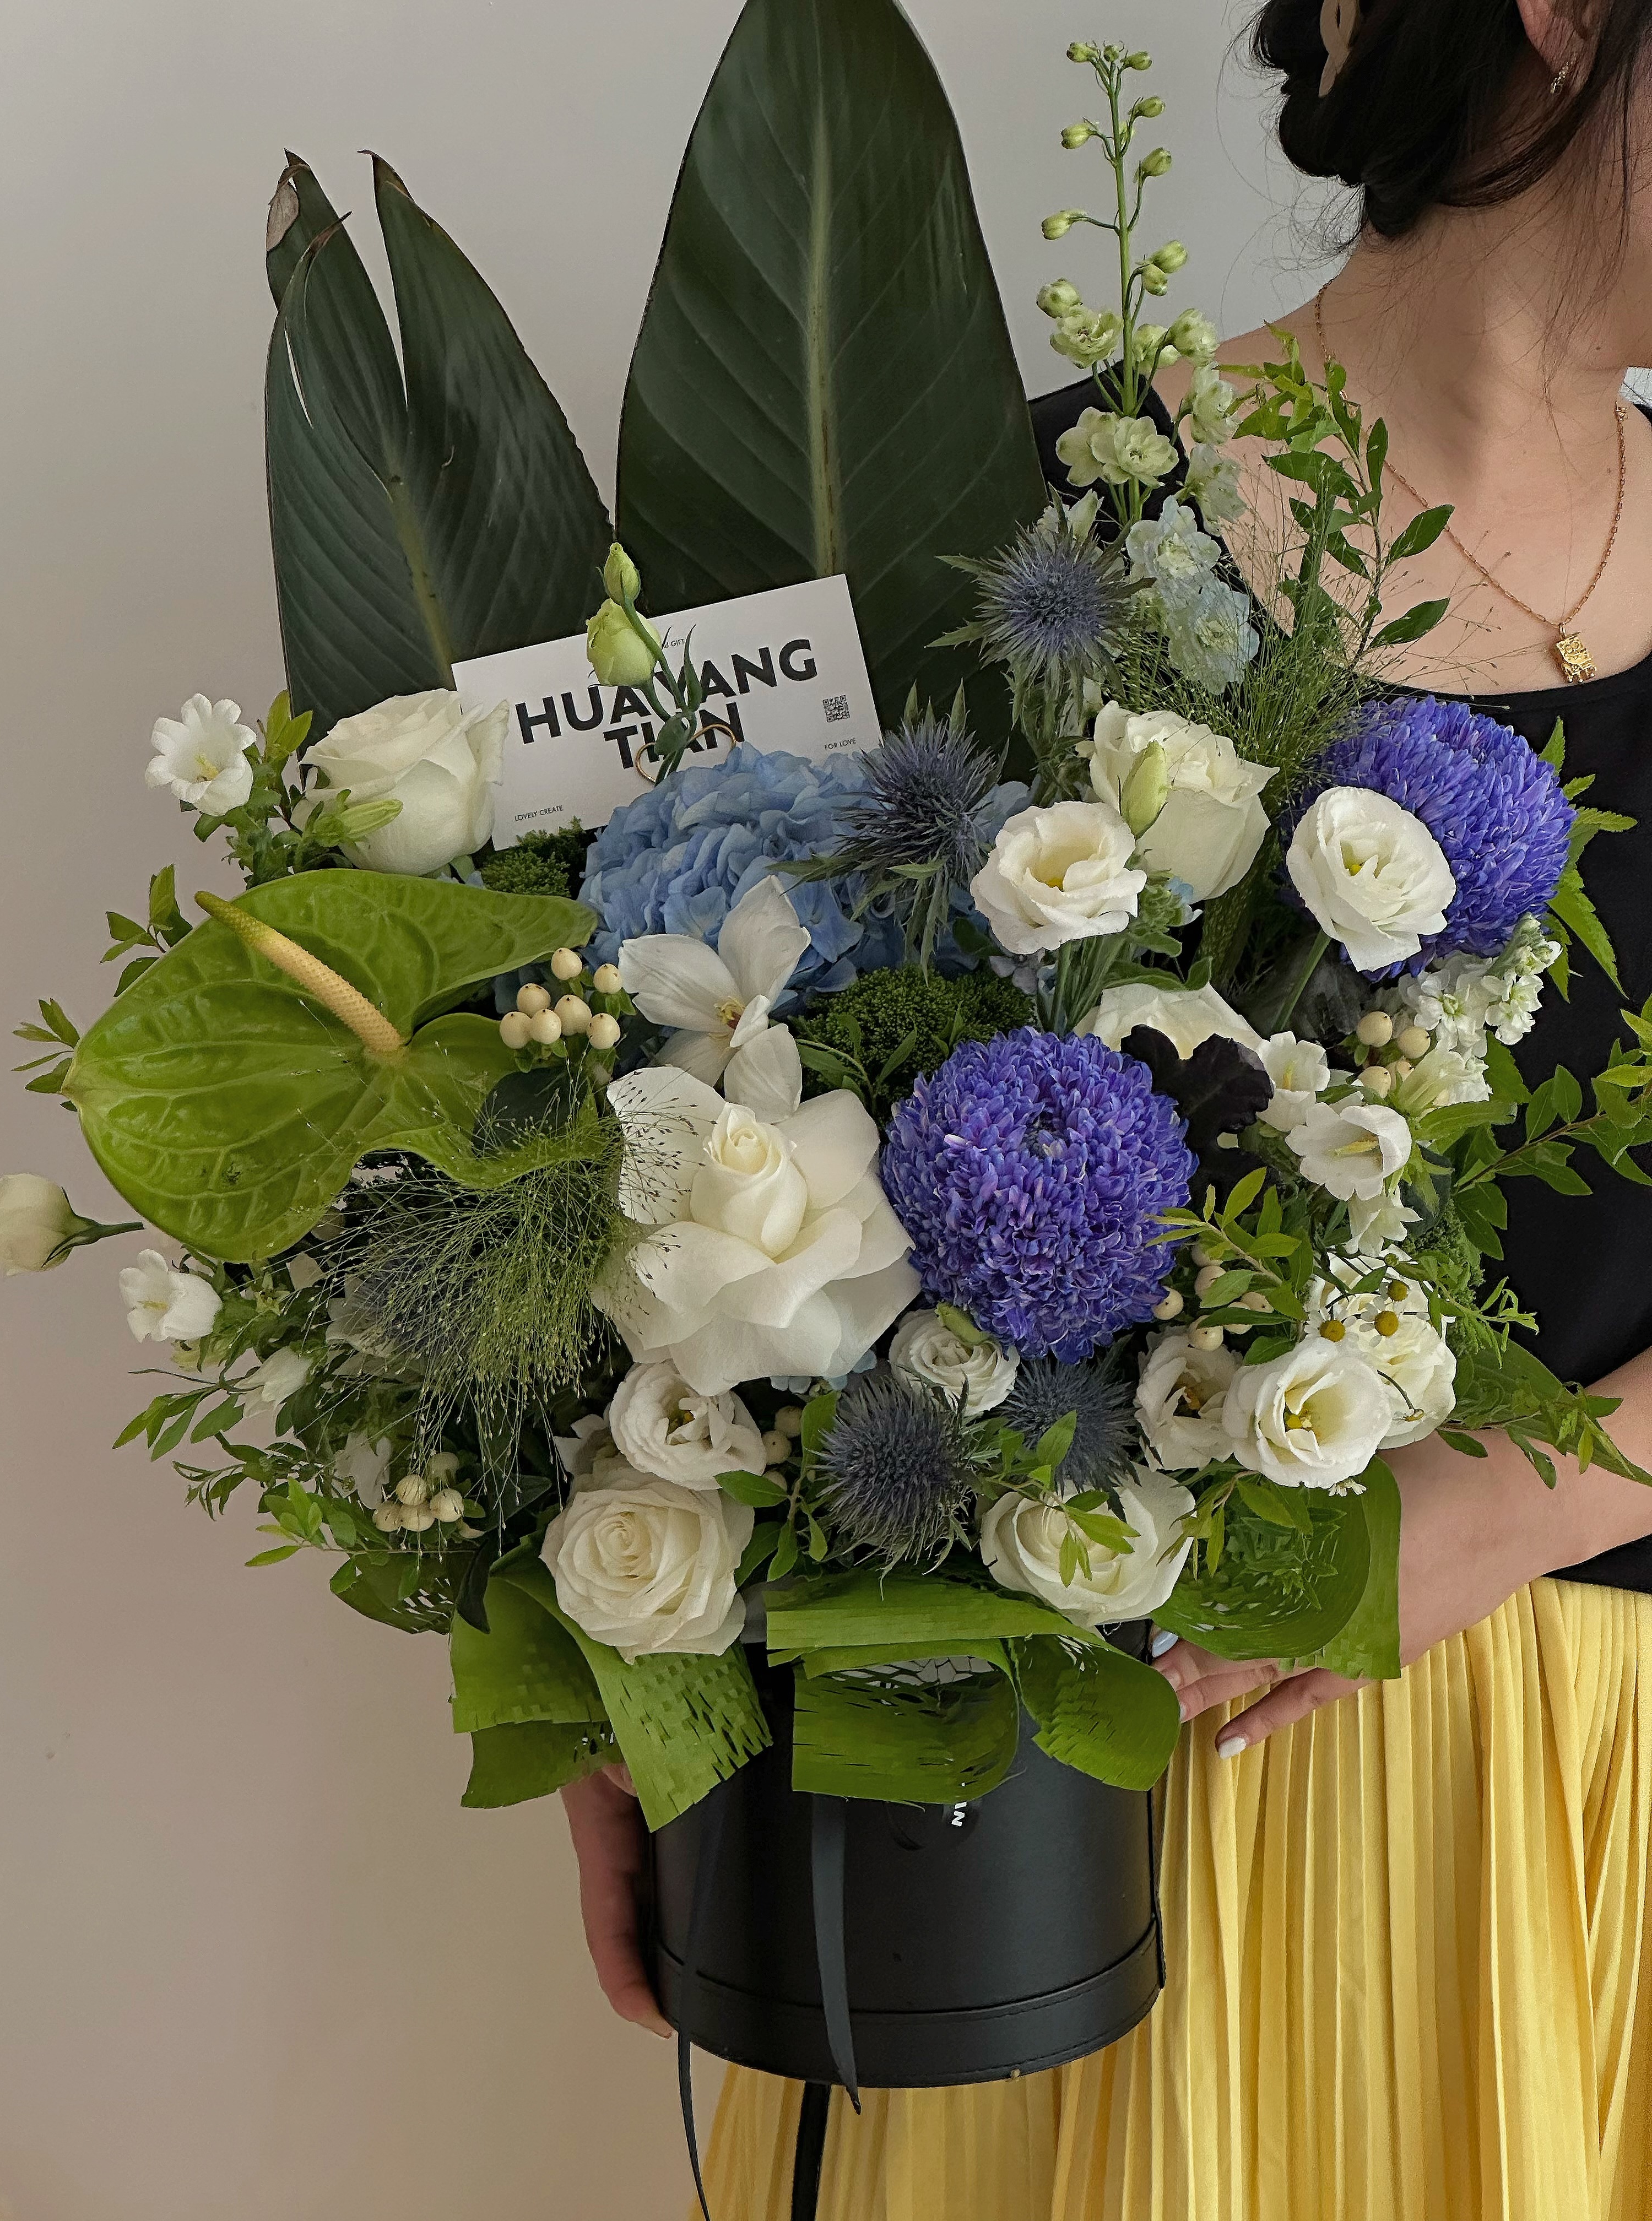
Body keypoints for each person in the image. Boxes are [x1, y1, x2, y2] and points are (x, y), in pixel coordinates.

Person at [566, 1, 1652, 2210]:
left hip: (1569, 1830)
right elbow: (674, 1105)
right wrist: (611, 1627)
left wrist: (1509, 1507)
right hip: (1022, 1824)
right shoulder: (1004, 523)